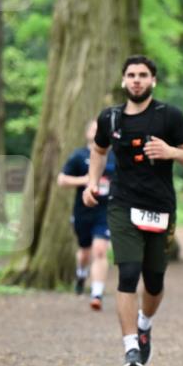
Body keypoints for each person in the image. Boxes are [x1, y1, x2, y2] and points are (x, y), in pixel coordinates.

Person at [83, 55, 183, 366]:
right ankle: (130, 347)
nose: (137, 80)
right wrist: (93, 182)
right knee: (127, 272)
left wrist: (171, 152)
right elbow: (98, 150)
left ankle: (144, 324)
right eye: (131, 75)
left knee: (154, 280)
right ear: (124, 81)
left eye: (143, 75)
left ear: (153, 81)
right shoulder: (110, 119)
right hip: (122, 205)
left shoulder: (169, 117)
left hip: (161, 207)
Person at [58, 120, 116, 310]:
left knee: (99, 250)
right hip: (83, 211)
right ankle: (81, 274)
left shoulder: (115, 156)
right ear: (87, 134)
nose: (98, 131)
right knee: (84, 252)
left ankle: (96, 294)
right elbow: (61, 180)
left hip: (106, 210)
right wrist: (86, 180)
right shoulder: (79, 156)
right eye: (94, 128)